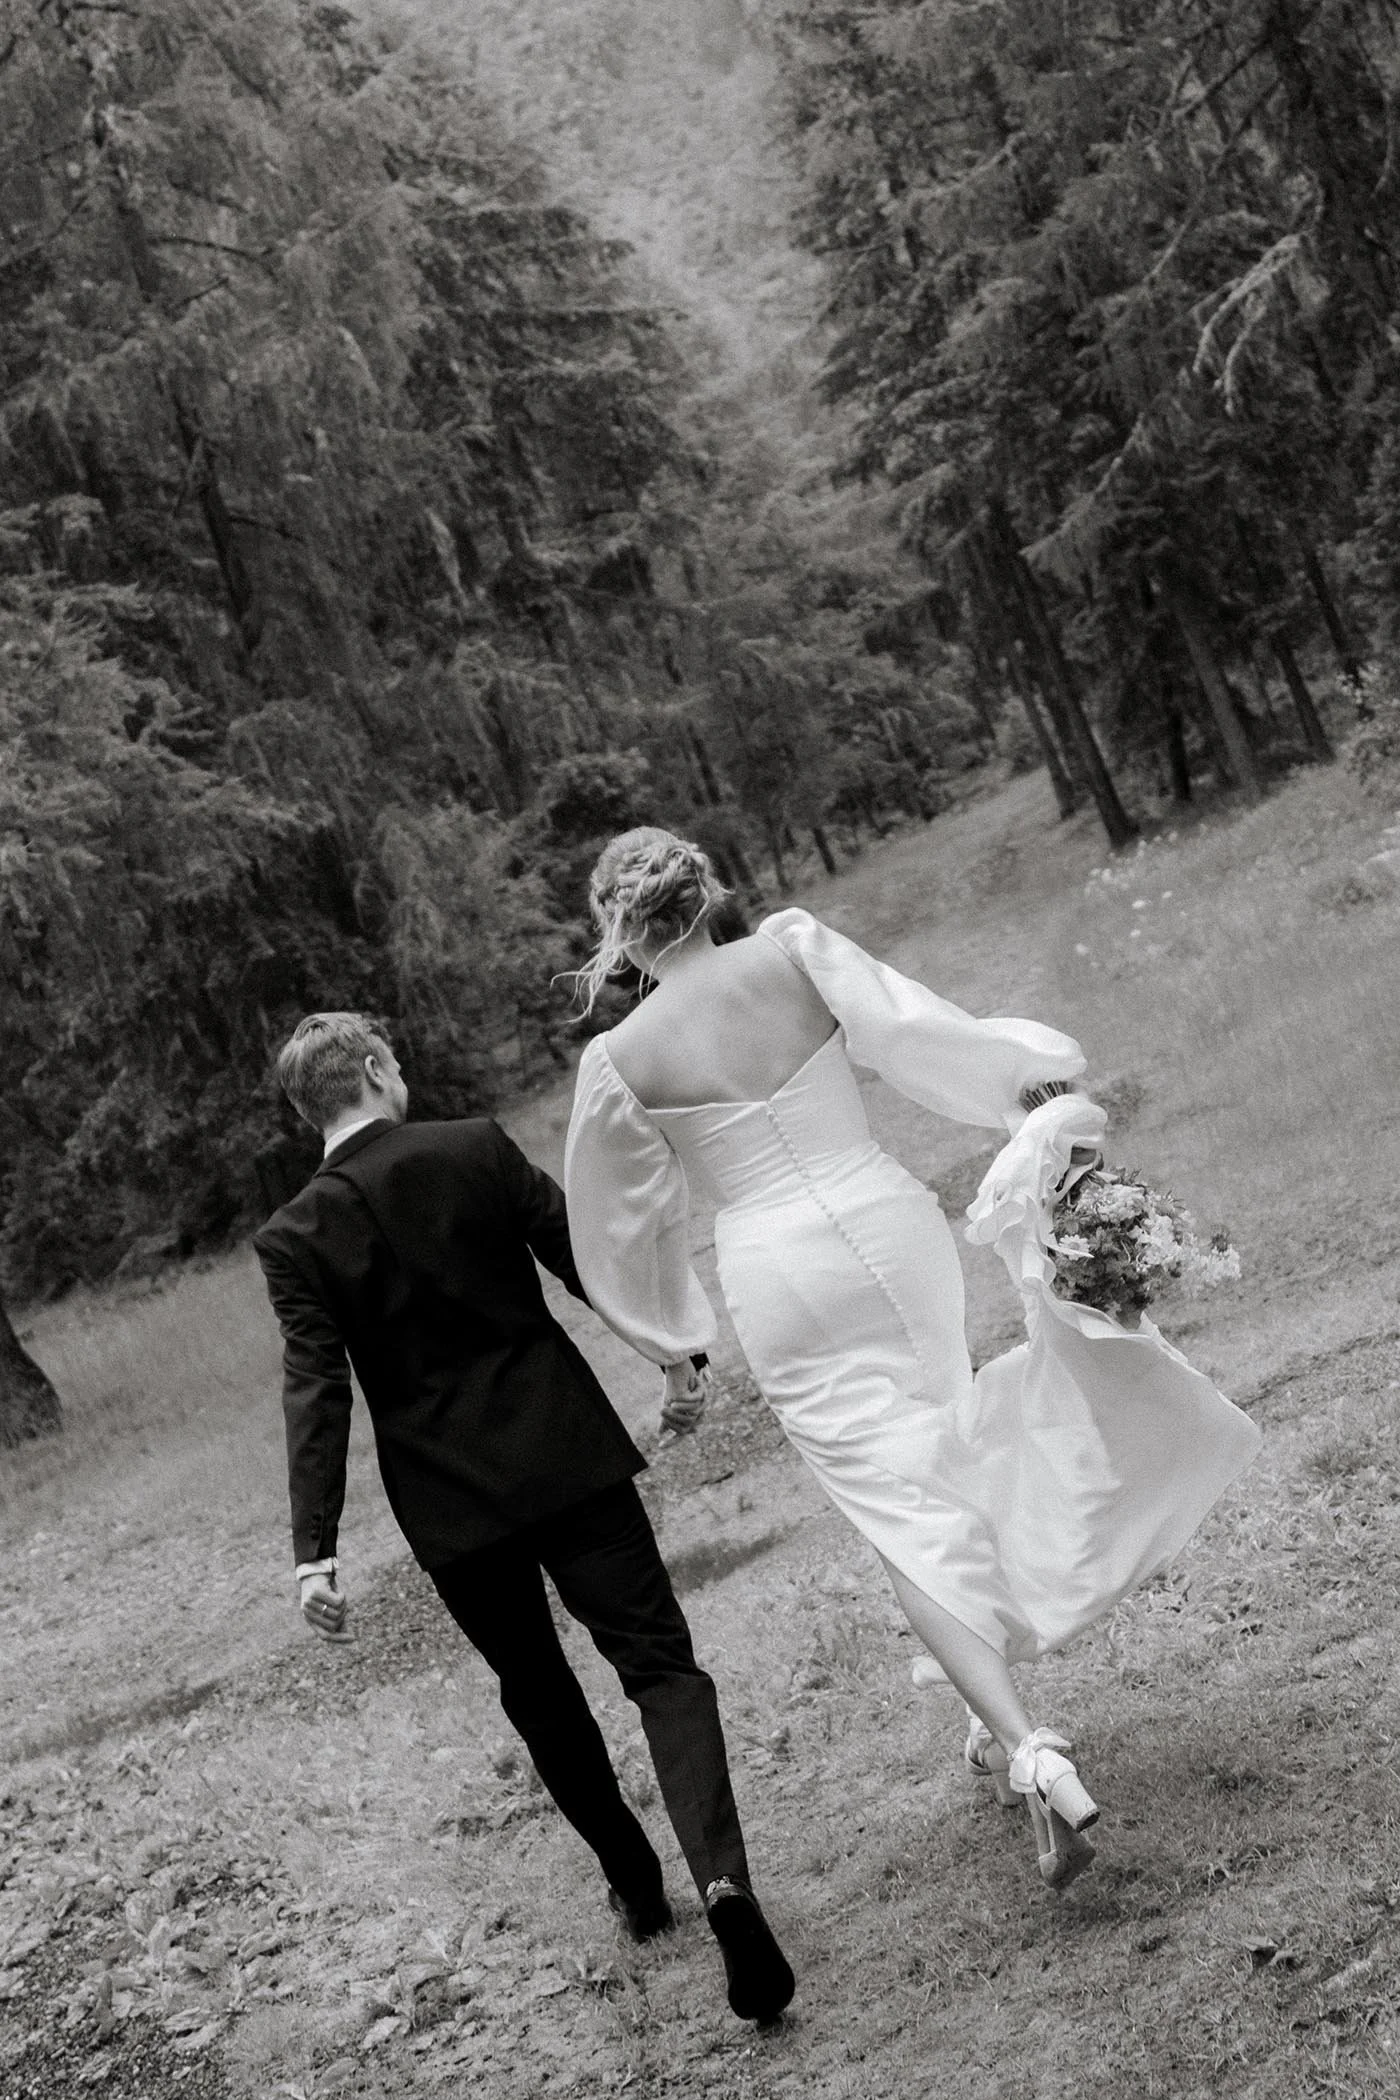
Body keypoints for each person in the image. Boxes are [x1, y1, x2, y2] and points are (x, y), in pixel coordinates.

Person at [563, 829, 1262, 1890]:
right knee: (940, 1451)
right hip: (889, 1230)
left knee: (898, 1512)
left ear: (616, 932)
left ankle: (1026, 1750)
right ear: (704, 891)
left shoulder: (618, 1061)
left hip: (777, 1269)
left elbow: (615, 1226)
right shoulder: (790, 949)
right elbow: (913, 1031)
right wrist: (1022, 1089)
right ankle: (995, 1729)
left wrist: (672, 1345)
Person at [253, 1013, 795, 2022]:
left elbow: (314, 1388)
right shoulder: (471, 1147)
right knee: (659, 1665)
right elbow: (581, 1256)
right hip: (567, 1455)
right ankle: (723, 1881)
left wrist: (312, 1553)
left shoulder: (295, 1236)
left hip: (448, 1500)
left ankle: (637, 1888)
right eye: (396, 1061)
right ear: (372, 1071)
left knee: (537, 1692)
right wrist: (672, 1352)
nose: (403, 1071)